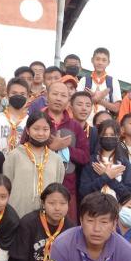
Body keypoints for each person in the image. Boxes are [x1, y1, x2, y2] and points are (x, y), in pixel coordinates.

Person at [3, 111, 65, 217]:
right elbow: (5, 186)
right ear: (27, 130)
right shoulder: (15, 156)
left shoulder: (56, 160)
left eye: (45, 129)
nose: (40, 133)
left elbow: (58, 186)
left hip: (46, 217)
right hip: (17, 214)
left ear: (50, 131)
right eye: (36, 129)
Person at [43, 81, 90, 220]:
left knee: (66, 228)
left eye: (63, 95)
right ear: (47, 96)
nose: (58, 98)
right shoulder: (36, 120)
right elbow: (25, 149)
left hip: (67, 187)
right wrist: (51, 148)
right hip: (39, 183)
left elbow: (85, 157)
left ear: (68, 100)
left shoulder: (75, 126)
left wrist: (65, 148)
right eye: (55, 94)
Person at [79, 119, 131, 200]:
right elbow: (83, 191)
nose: (108, 137)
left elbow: (129, 194)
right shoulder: (91, 161)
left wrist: (108, 177)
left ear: (118, 136)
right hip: (94, 206)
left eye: (112, 135)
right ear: (99, 136)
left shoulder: (124, 163)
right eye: (105, 134)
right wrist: (106, 177)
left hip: (116, 207)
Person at [77, 47, 122, 119]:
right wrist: (96, 98)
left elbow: (116, 108)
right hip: (85, 121)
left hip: (105, 122)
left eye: (104, 60)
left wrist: (99, 99)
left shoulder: (113, 82)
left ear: (108, 62)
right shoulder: (84, 80)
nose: (100, 63)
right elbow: (77, 103)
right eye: (97, 59)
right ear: (92, 60)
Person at [0, 78, 30, 154]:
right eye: (14, 93)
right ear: (7, 95)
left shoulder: (31, 121)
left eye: (22, 94)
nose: (18, 96)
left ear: (28, 97)